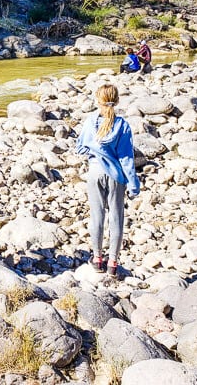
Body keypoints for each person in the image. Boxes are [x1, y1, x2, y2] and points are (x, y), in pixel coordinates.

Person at [76, 84, 140, 278]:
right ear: (117, 100)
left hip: (94, 173)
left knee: (97, 216)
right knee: (116, 217)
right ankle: (112, 262)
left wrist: (94, 154)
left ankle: (97, 259)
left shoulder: (90, 122)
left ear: (98, 101)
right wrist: (133, 185)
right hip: (115, 176)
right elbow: (126, 158)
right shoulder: (122, 125)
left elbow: (80, 148)